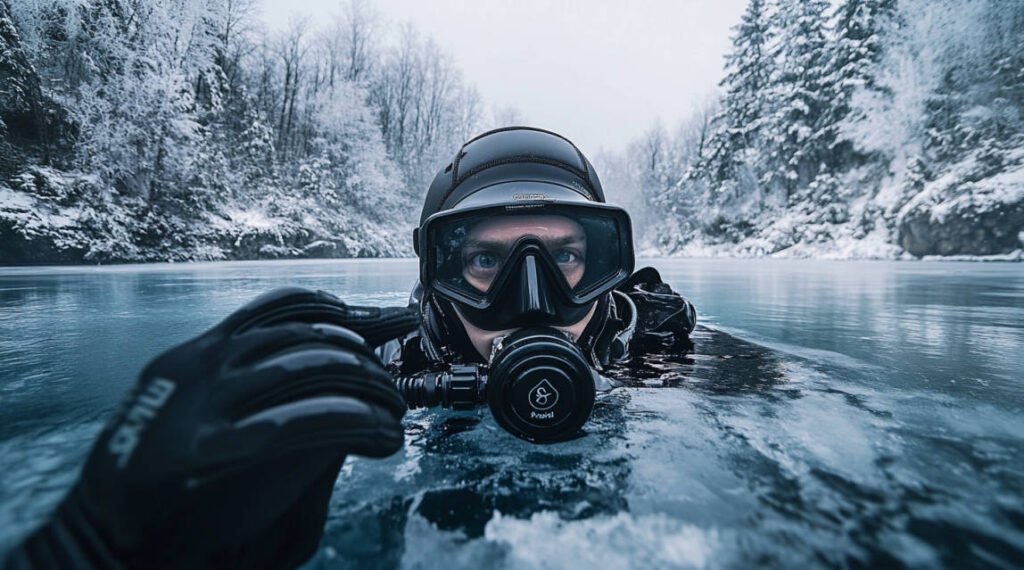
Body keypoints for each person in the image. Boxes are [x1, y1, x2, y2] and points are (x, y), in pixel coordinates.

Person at [3, 127, 695, 570]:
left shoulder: (648, 346)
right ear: (436, 281)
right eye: (486, 264)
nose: (533, 300)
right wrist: (93, 546)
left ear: (609, 270)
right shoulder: (379, 377)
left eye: (568, 257)